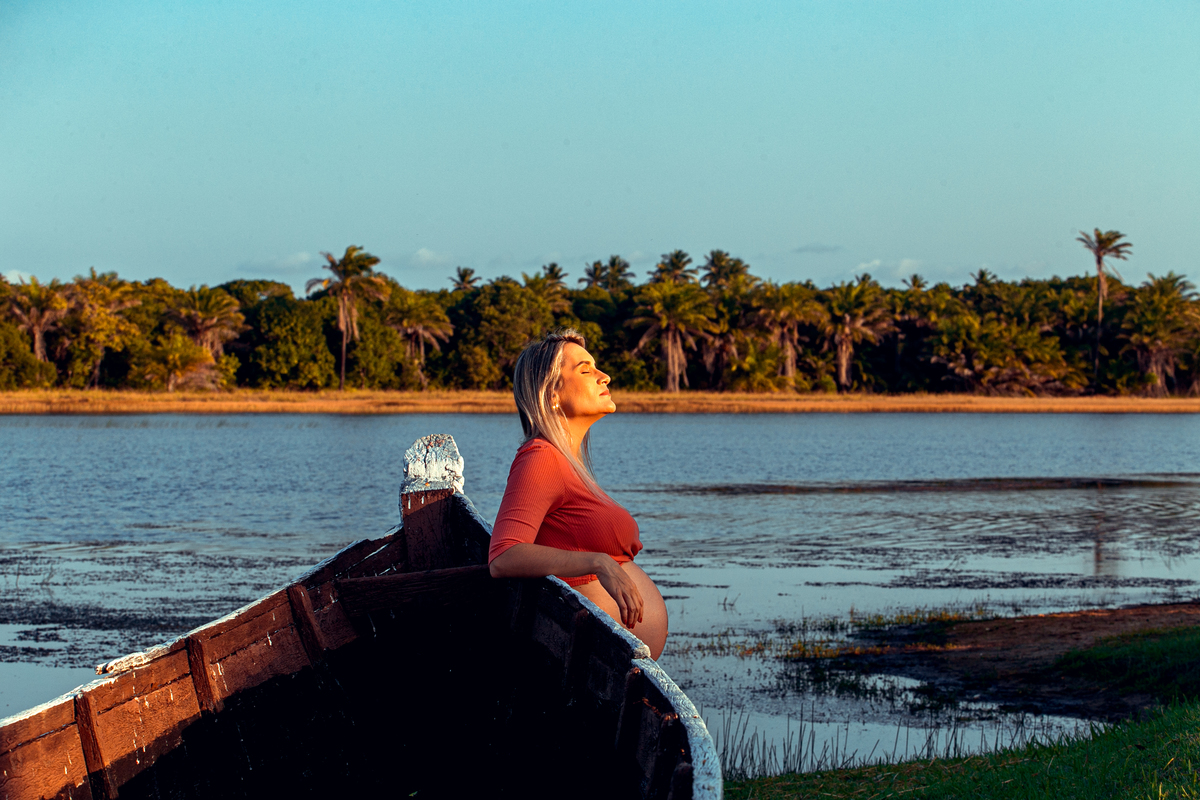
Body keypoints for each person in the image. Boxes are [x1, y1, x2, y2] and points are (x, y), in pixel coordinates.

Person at [487, 329, 668, 659]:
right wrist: (599, 563)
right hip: (588, 673)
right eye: (585, 370)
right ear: (552, 392)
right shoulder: (541, 457)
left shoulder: (565, 462)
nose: (604, 376)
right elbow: (504, 556)